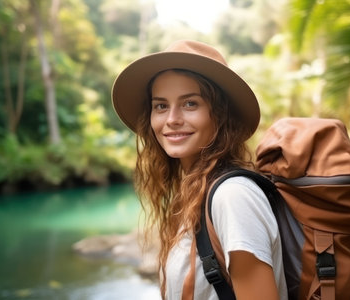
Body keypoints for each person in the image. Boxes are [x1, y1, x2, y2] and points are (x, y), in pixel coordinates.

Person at [112, 40, 287, 300]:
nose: (171, 119)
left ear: (220, 114)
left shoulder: (233, 197)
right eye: (161, 105)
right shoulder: (194, 194)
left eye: (190, 103)